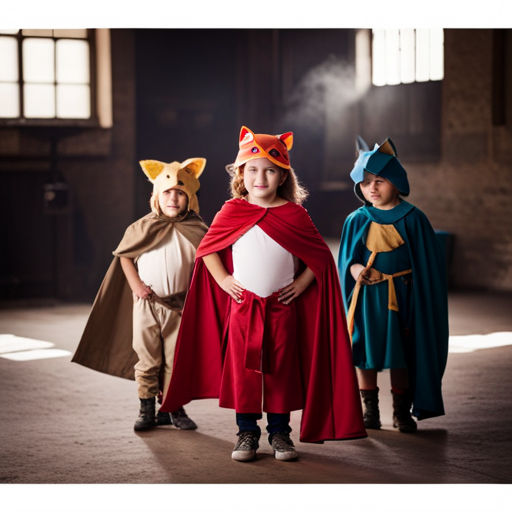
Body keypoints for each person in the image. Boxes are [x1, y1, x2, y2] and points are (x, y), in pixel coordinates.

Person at [160, 126, 366, 462]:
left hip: (283, 310)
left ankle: (280, 435)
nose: (261, 177)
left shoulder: (295, 214)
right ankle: (247, 434)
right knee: (245, 374)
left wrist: (301, 284)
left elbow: (320, 258)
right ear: (241, 173)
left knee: (281, 373)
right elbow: (208, 249)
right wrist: (224, 279)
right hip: (243, 309)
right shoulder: (231, 211)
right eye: (253, 170)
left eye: (270, 170)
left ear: (283, 175)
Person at [72, 157, 209, 432]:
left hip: (180, 306)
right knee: (147, 358)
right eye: (167, 192)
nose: (173, 198)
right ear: (156, 196)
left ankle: (172, 408)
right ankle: (146, 407)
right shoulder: (142, 227)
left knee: (175, 359)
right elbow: (124, 257)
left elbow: (208, 265)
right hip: (147, 303)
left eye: (180, 193)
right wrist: (136, 285)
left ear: (190, 197)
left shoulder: (199, 230)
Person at [338, 137, 449, 433]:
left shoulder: (414, 219)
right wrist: (357, 269)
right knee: (364, 352)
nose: (372, 189)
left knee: (400, 353)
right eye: (365, 183)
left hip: (404, 298)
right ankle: (370, 411)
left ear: (396, 181)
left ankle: (402, 412)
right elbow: (348, 259)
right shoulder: (356, 219)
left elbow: (429, 266)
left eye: (380, 181)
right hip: (367, 301)